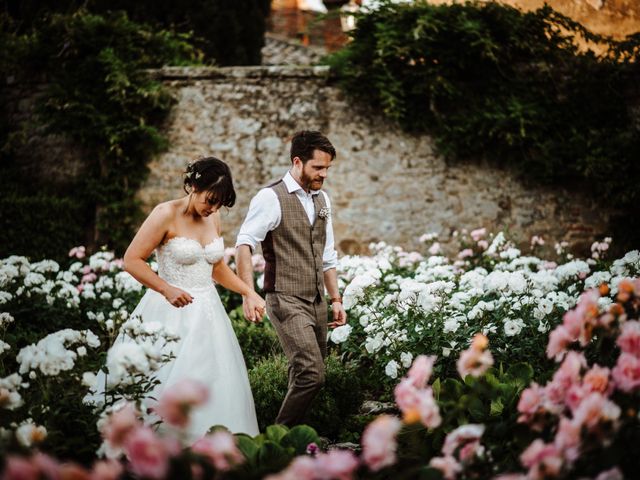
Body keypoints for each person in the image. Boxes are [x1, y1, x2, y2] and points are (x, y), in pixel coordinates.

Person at [91, 157, 262, 440]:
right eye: (210, 200)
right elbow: (132, 260)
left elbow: (217, 268)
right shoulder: (164, 214)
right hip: (168, 311)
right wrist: (166, 289)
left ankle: (212, 447)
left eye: (220, 203)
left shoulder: (213, 217)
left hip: (208, 313)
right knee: (164, 383)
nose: (213, 208)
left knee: (214, 381)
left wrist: (249, 292)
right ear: (193, 186)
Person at [235, 130, 347, 427]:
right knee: (312, 373)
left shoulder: (322, 199)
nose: (324, 175)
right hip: (284, 297)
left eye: (327, 168)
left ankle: (296, 446)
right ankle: (277, 437)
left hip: (317, 300)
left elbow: (328, 255)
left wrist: (335, 299)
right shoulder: (270, 198)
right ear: (297, 162)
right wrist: (248, 293)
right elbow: (244, 243)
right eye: (318, 168)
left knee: (305, 373)